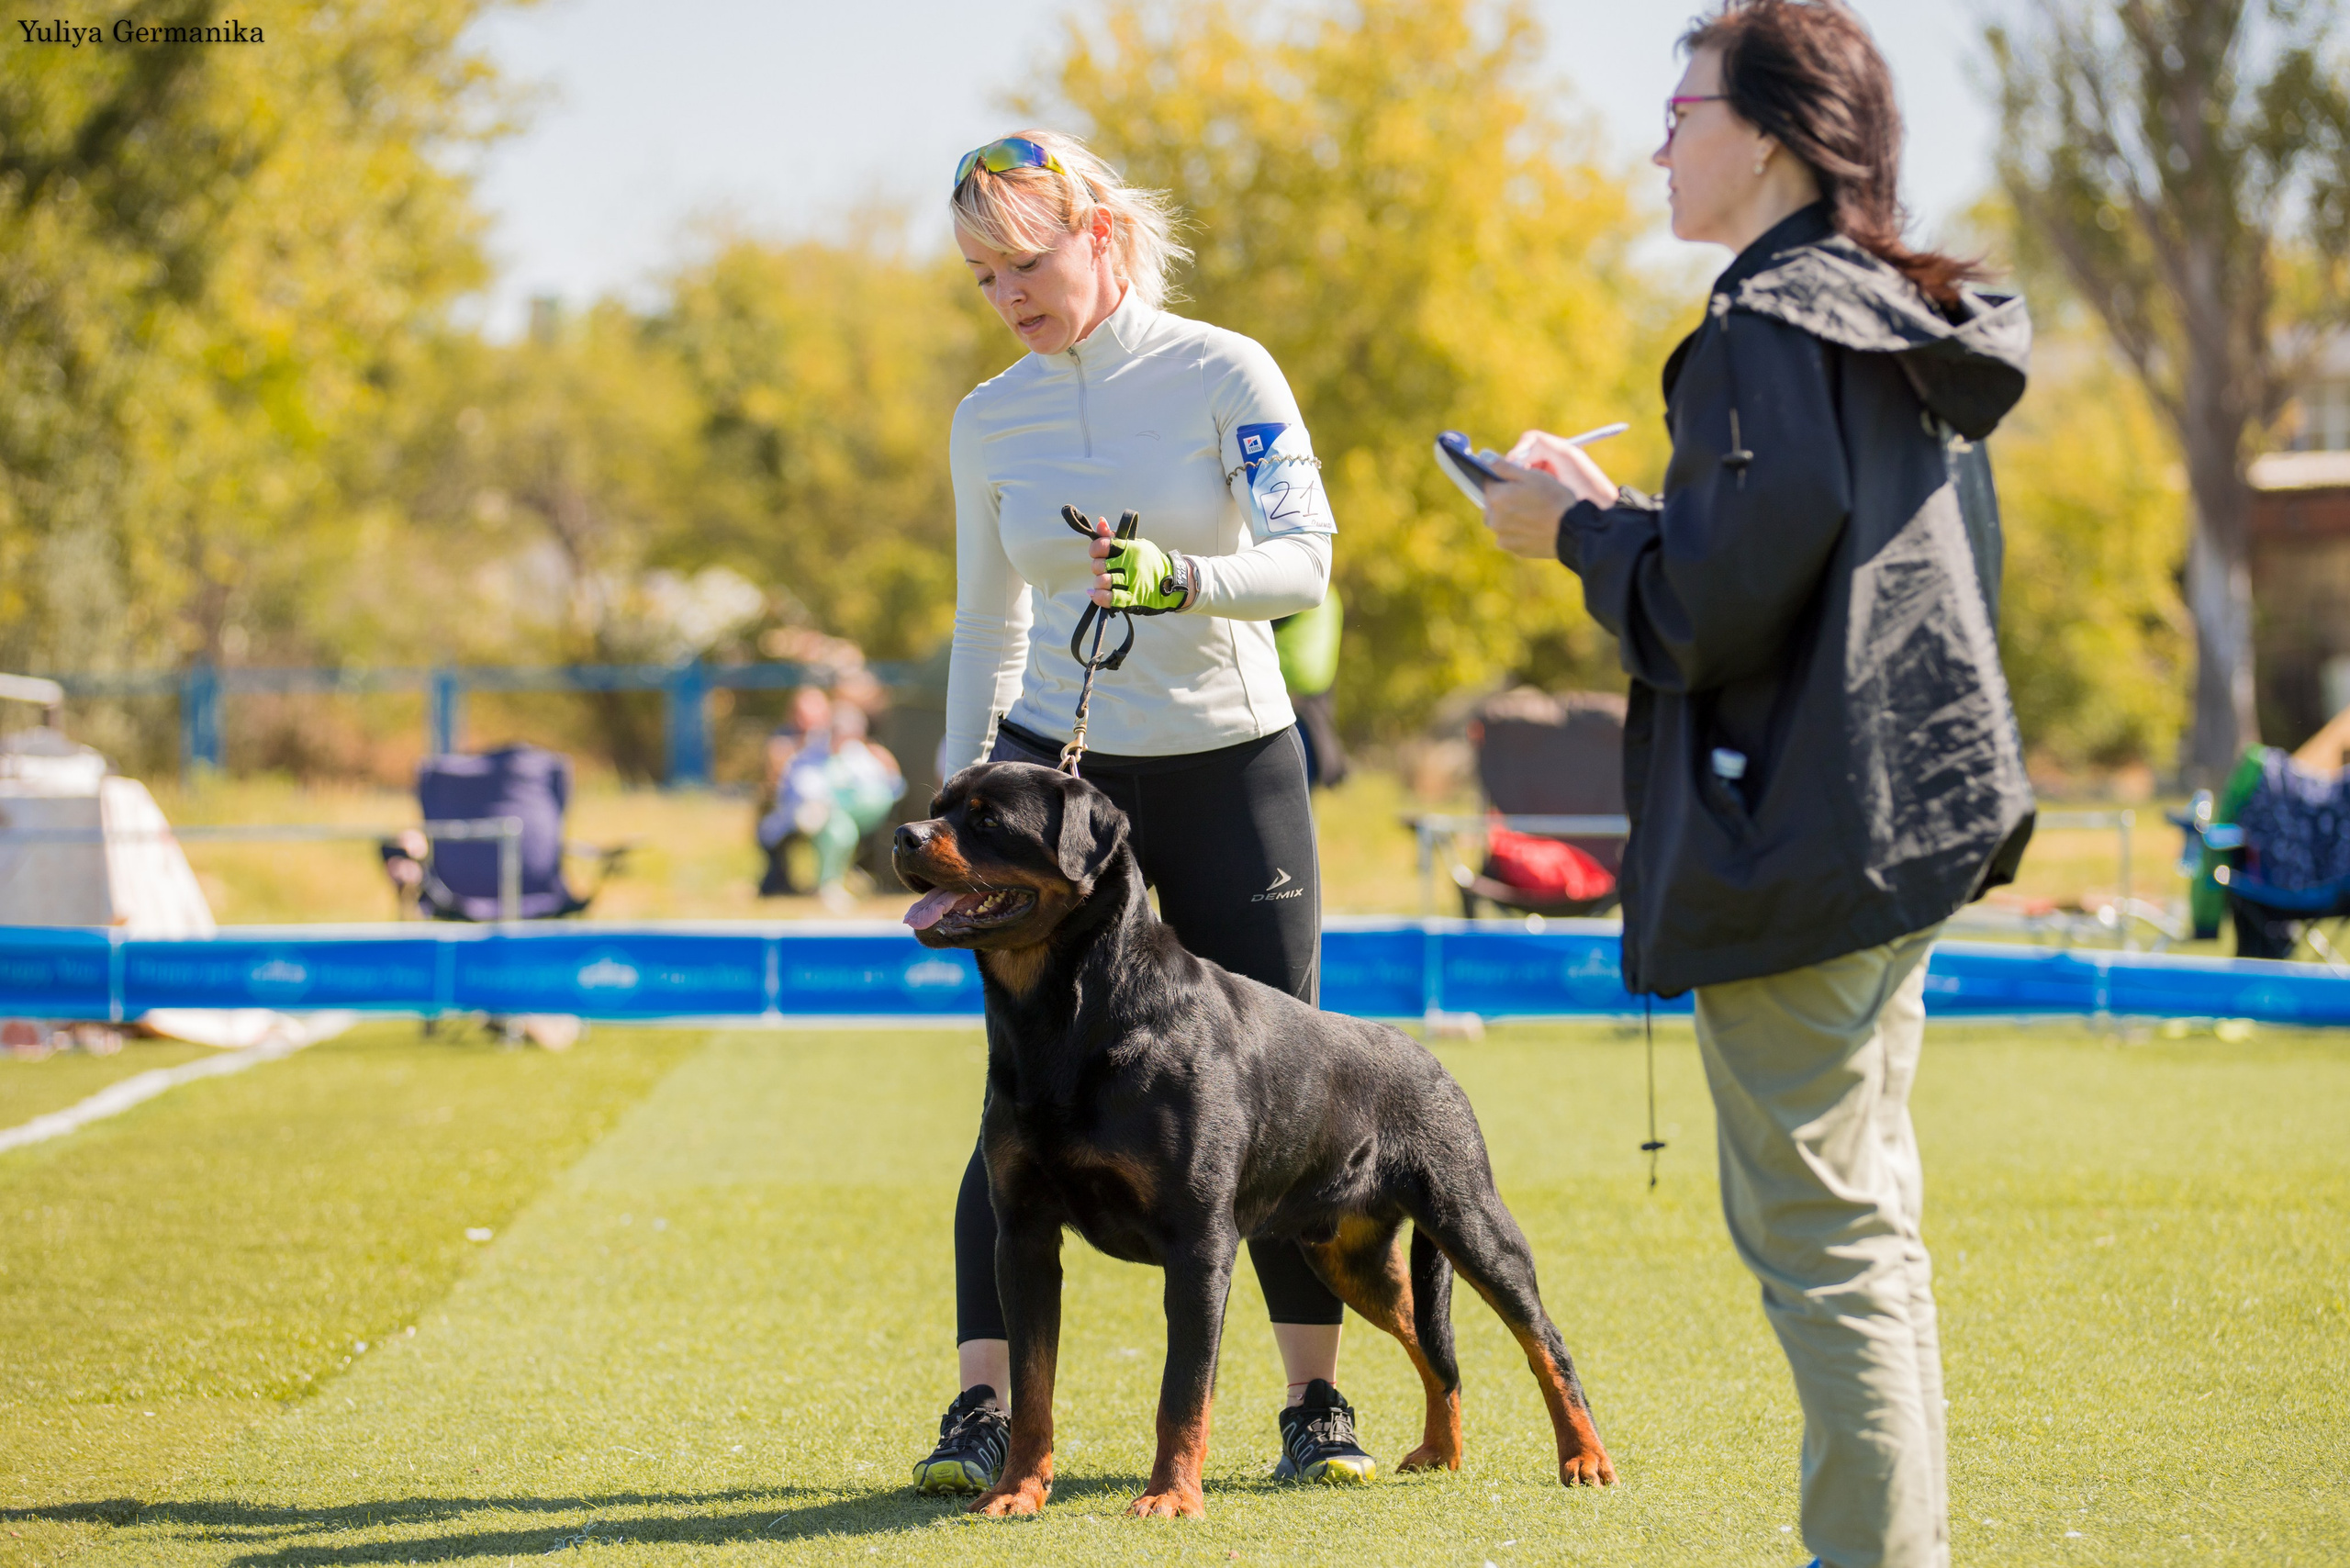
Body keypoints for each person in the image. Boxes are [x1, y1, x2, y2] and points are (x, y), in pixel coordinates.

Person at [1480, 5, 2035, 1565]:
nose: (1657, 142)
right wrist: (1625, 516)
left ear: (1776, 137)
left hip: (1808, 832)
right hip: (1901, 821)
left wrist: (1574, 534)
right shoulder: (1885, 313)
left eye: (1683, 113)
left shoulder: (1768, 322)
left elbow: (1710, 612)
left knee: (1827, 1242)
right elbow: (1785, 564)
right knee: (1866, 1231)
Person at [913, 127, 1377, 1495]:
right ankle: (983, 1411)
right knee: (1021, 1087)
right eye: (982, 276)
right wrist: (958, 793)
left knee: (1280, 1081)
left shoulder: (1226, 371)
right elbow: (985, 623)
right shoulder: (988, 416)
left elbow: (1303, 562)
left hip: (1231, 759)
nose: (1005, 295)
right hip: (1055, 774)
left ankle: (1314, 1405)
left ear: (1101, 234)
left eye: (1024, 262)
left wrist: (1182, 578)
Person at [1273, 588, 1348, 789]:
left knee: (1293, 781)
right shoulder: (1331, 595)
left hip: (1292, 694)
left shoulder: (1298, 590)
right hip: (1317, 694)